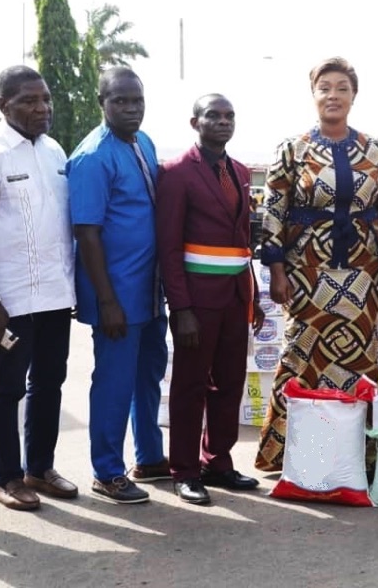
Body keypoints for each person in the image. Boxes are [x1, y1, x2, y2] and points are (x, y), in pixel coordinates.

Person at [255, 57, 378, 472]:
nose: (333, 95)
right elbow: (274, 213)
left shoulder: (376, 149)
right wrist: (278, 271)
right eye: (325, 87)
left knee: (358, 359)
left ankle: (357, 454)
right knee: (300, 355)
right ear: (313, 94)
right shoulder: (292, 148)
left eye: (342, 87)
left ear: (354, 96)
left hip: (364, 274)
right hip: (306, 273)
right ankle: (285, 454)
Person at [0, 66, 78, 511]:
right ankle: (6, 477)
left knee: (50, 381)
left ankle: (39, 468)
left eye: (45, 99)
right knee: (6, 388)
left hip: (54, 294)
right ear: (2, 105)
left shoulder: (53, 152)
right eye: (28, 100)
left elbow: (60, 228)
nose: (41, 108)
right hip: (8, 300)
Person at [156, 94, 264, 505]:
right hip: (196, 302)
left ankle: (218, 460)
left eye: (229, 115)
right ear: (194, 122)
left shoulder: (239, 171)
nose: (223, 122)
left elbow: (241, 241)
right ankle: (184, 470)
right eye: (213, 116)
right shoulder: (177, 173)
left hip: (235, 295)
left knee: (230, 384)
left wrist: (250, 296)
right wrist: (180, 309)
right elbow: (169, 247)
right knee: (189, 385)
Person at [67, 67, 168, 504]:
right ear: (101, 102)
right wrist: (106, 301)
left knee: (149, 376)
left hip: (150, 289)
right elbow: (86, 233)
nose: (130, 109)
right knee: (114, 383)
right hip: (118, 296)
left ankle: (148, 458)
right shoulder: (92, 156)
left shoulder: (143, 143)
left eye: (137, 101)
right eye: (120, 101)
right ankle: (106, 471)